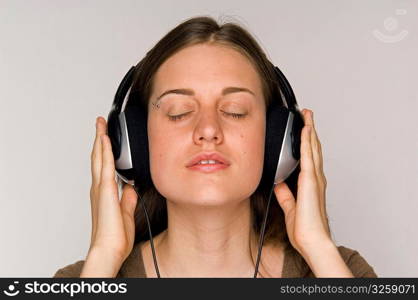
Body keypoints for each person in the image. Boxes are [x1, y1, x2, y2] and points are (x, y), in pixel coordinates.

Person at [53, 16, 377, 278]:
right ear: (133, 141)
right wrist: (104, 258)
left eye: (235, 110)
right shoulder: (84, 280)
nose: (208, 130)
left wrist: (318, 249)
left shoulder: (341, 272)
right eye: (178, 112)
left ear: (279, 139)